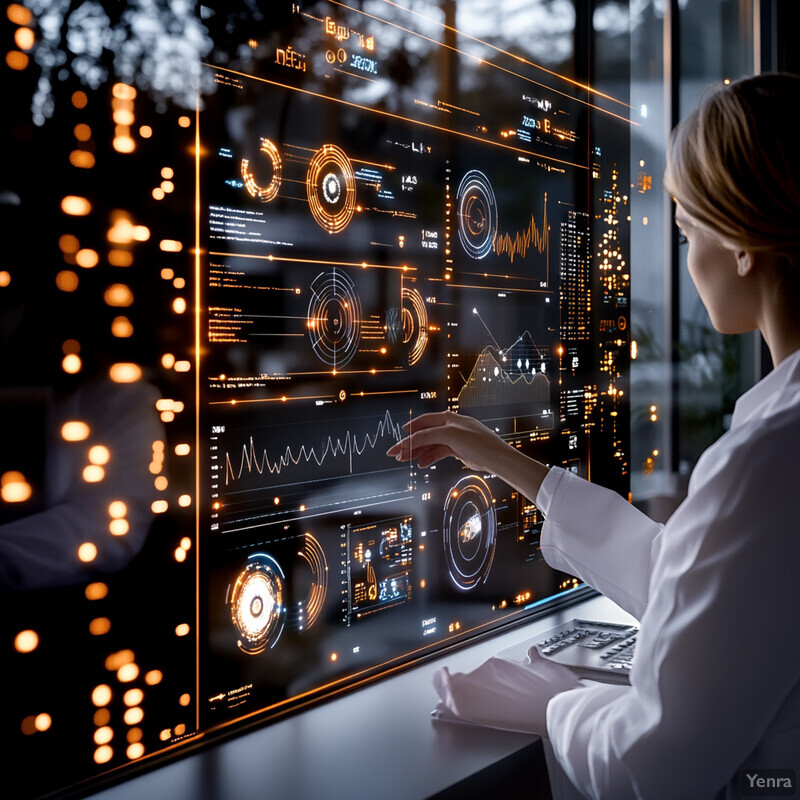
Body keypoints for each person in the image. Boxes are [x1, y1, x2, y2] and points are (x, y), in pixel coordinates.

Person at [387, 73, 800, 799]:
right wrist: (513, 466)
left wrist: (555, 705)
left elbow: (651, 768)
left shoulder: (768, 458)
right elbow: (700, 577)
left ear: (740, 243)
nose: (685, 259)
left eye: (687, 232)